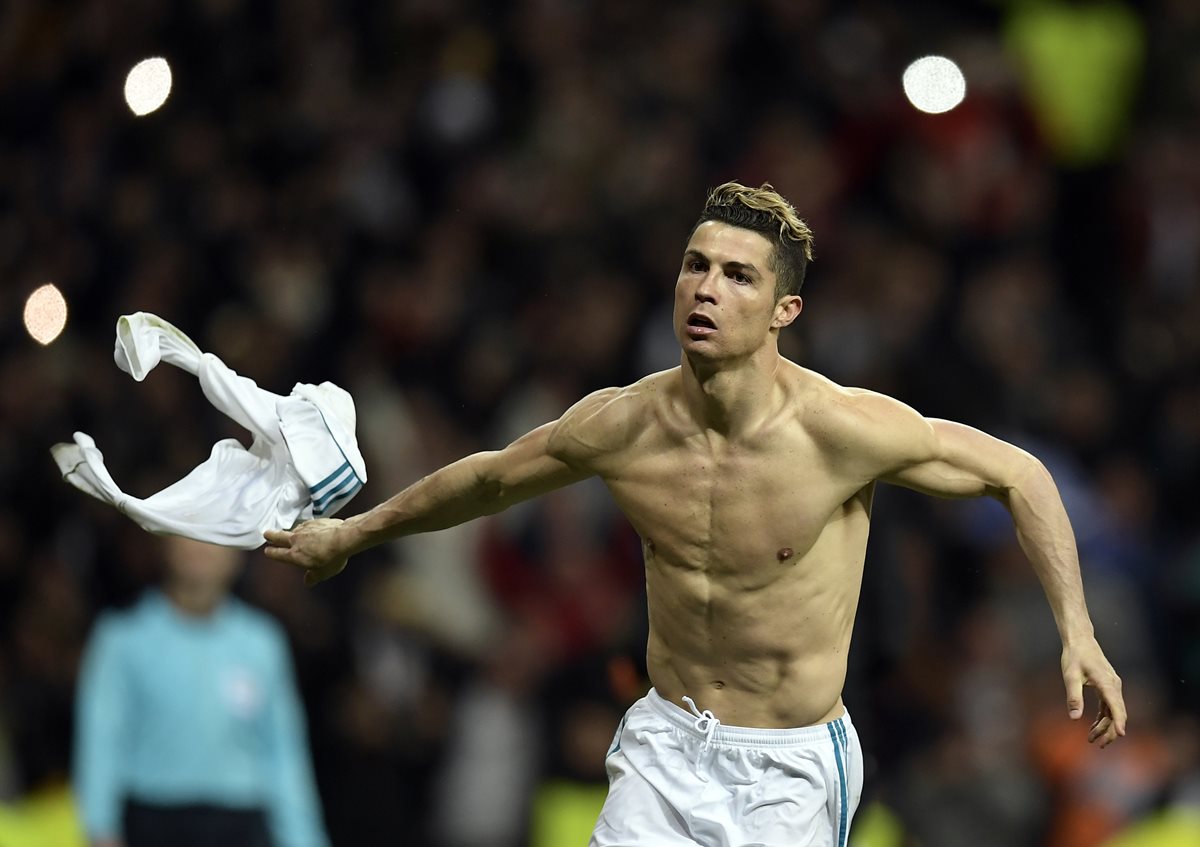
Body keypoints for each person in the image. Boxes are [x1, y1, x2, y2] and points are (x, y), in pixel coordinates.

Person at [264, 181, 1127, 846]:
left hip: (791, 767)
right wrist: (354, 532)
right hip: (666, 743)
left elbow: (1021, 474)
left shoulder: (841, 431)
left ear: (784, 311)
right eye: (696, 265)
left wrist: (1077, 629)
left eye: (738, 275)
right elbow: (491, 479)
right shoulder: (624, 424)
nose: (706, 288)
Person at [75, 535, 330, 847]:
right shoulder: (123, 638)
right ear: (165, 544)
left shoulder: (261, 642)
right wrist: (100, 829)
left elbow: (284, 752)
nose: (200, 547)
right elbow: (102, 741)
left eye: (216, 535)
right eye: (189, 532)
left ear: (238, 554)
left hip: (240, 821)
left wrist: (304, 839)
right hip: (153, 818)